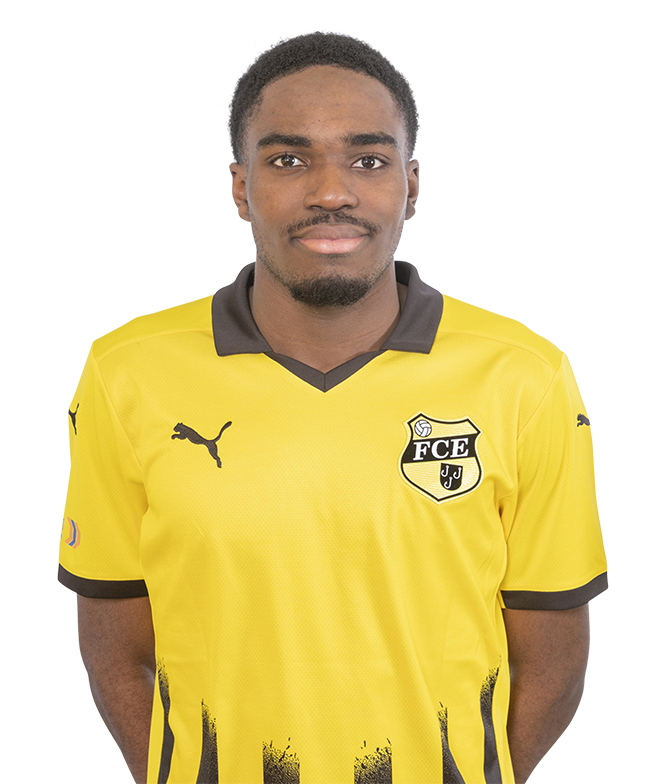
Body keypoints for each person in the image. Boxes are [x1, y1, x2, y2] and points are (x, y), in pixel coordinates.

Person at [58, 31, 609, 784]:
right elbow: (115, 640)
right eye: (289, 160)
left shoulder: (524, 376)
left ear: (411, 184)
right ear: (240, 187)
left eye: (368, 160)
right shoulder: (126, 372)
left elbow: (552, 655)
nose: (330, 192)